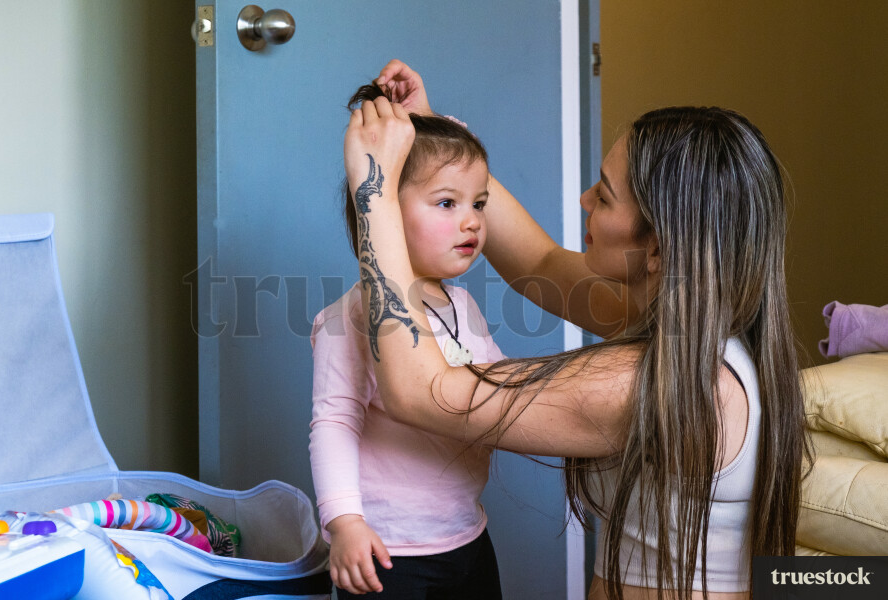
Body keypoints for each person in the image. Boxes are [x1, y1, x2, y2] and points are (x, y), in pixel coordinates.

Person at [339, 60, 810, 600]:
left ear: (656, 248)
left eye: (604, 195)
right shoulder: (701, 342)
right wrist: (435, 140)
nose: (584, 200)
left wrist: (374, 188)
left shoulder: (650, 383)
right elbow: (538, 263)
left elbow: (419, 394)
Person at [309, 82, 506, 599]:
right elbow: (334, 422)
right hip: (389, 551)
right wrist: (345, 524)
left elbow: (501, 391)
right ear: (385, 213)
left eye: (478, 204)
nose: (472, 221)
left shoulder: (463, 307)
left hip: (468, 535)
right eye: (447, 202)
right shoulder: (346, 318)